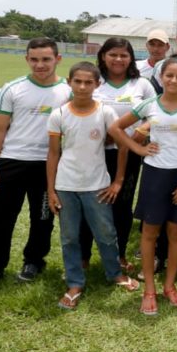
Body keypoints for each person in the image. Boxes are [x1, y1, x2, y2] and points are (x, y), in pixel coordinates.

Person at [109, 57, 177, 315]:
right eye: (169, 76)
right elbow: (117, 128)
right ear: (161, 77)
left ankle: (169, 286)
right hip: (154, 175)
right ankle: (149, 289)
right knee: (150, 233)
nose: (174, 81)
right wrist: (139, 148)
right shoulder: (149, 105)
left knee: (175, 233)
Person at [0, 37, 71, 291]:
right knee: (0, 219)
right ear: (27, 59)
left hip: (48, 166)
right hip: (11, 162)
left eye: (46, 59)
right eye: (34, 59)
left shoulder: (68, 91)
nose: (40, 65)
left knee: (43, 218)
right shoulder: (13, 88)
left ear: (57, 59)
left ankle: (34, 261)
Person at [46, 62, 140, 310]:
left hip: (97, 184)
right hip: (66, 185)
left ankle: (115, 273)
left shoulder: (105, 112)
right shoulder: (59, 114)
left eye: (89, 82)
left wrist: (118, 180)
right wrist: (52, 190)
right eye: (78, 81)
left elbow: (122, 145)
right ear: (69, 82)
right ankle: (75, 282)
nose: (83, 86)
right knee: (69, 237)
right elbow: (53, 154)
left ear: (97, 85)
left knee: (106, 234)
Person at [83, 37, 157, 274]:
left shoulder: (141, 84)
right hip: (93, 153)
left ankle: (120, 254)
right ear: (103, 56)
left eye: (123, 55)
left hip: (129, 155)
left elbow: (154, 114)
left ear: (131, 59)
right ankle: (83, 256)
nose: (118, 59)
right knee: (89, 203)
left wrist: (138, 134)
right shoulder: (94, 82)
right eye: (113, 54)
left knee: (122, 205)